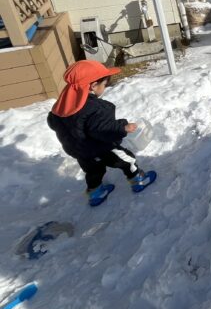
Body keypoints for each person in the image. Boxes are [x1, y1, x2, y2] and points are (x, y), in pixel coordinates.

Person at [47, 61, 156, 207]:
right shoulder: (95, 108)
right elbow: (103, 129)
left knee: (93, 171)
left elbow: (53, 123)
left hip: (79, 151)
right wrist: (123, 127)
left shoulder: (62, 107)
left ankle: (96, 194)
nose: (104, 88)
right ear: (92, 86)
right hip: (101, 149)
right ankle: (139, 181)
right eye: (104, 84)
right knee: (127, 160)